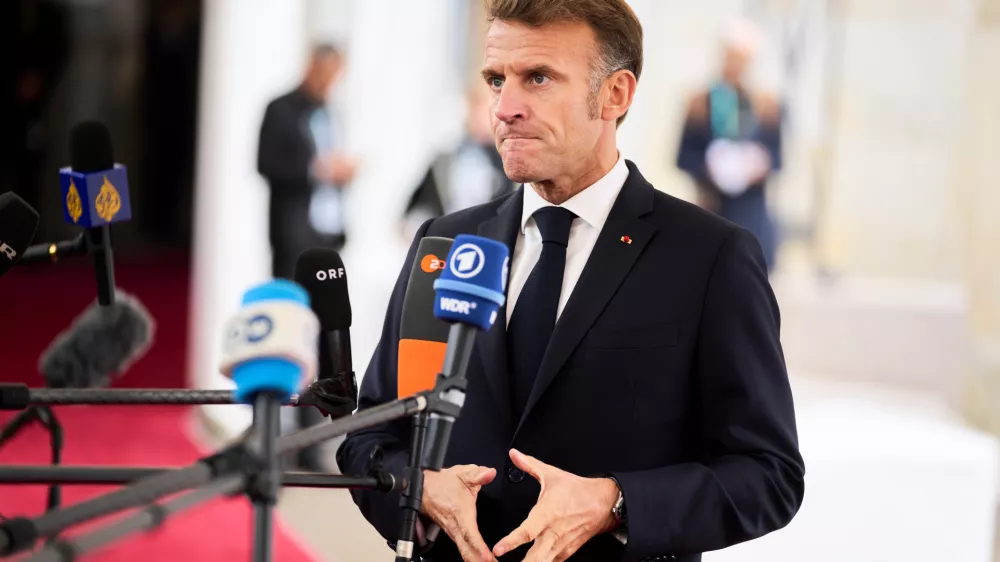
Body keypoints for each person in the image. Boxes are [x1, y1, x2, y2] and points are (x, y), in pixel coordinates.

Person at [338, 1, 804, 561]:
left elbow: (768, 475)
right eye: (496, 79)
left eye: (538, 78)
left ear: (616, 95)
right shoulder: (447, 243)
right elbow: (373, 434)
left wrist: (617, 502)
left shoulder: (711, 257)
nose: (505, 108)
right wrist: (418, 489)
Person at [257, 43, 355, 471]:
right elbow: (265, 164)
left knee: (322, 339)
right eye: (327, 73)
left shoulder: (330, 114)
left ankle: (312, 438)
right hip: (291, 240)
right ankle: (282, 435)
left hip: (324, 235)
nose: (330, 82)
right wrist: (317, 170)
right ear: (312, 66)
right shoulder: (280, 109)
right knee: (288, 334)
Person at [676, 18, 783, 271]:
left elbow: (778, 160)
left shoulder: (766, 106)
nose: (735, 65)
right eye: (730, 56)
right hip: (712, 211)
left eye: (742, 58)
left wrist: (758, 166)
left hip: (752, 217)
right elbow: (682, 157)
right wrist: (710, 167)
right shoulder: (701, 103)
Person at [402, 85, 516, 240]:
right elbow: (417, 209)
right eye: (479, 109)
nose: (484, 117)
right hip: (446, 243)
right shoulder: (445, 158)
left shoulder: (508, 159)